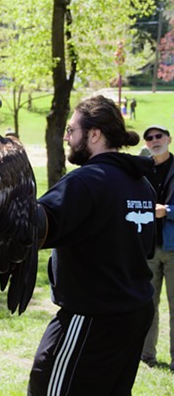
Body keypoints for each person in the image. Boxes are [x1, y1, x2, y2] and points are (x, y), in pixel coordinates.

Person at [28, 95, 156, 395]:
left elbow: (34, 226)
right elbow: (144, 248)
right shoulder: (142, 184)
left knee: (48, 388)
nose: (67, 137)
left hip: (92, 316)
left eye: (71, 130)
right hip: (135, 312)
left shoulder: (85, 181)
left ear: (94, 134)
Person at [141, 125, 174, 370]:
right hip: (149, 249)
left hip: (173, 249)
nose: (154, 141)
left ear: (169, 139)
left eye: (158, 136)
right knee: (146, 305)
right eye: (149, 138)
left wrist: (168, 211)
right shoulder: (143, 171)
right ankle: (146, 356)